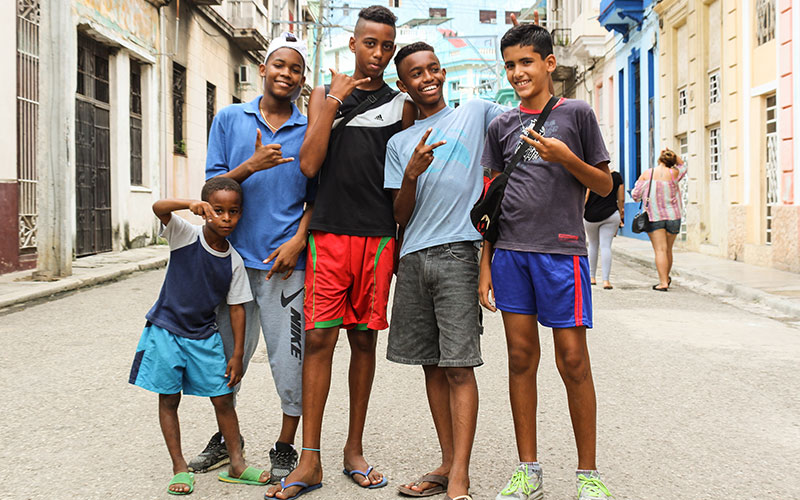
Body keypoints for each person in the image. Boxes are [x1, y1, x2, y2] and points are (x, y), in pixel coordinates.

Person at [265, 6, 416, 499]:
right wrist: (331, 104)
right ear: (352, 44)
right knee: (318, 342)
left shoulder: (401, 106)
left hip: (377, 238)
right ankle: (310, 460)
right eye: (369, 43)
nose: (378, 53)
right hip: (328, 236)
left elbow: (403, 182)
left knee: (364, 343)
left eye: (386, 46)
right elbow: (309, 165)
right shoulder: (323, 96)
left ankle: (353, 449)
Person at [478, 23, 615, 500]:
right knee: (520, 359)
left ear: (548, 63)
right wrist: (484, 265)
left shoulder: (576, 114)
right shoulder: (500, 126)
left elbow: (603, 188)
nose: (518, 72)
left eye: (527, 62)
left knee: (573, 360)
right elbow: (492, 201)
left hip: (562, 254)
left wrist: (564, 159)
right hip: (511, 255)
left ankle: (588, 475)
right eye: (511, 64)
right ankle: (527, 470)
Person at [384, 42, 507, 500]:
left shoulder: (474, 112)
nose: (428, 77)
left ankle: (460, 477)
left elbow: (523, 124)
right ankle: (447, 460)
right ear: (404, 85)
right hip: (412, 258)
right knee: (431, 367)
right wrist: (412, 173)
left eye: (433, 68)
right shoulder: (399, 144)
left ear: (443, 72)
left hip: (459, 252)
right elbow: (399, 215)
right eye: (416, 73)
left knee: (459, 367)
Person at [193, 32, 314, 484]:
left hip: (286, 264)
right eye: (279, 64)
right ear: (263, 69)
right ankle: (229, 439)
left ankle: (286, 443)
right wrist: (251, 166)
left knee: (290, 359)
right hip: (232, 264)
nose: (286, 73)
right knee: (229, 357)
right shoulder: (229, 118)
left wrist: (298, 241)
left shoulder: (308, 129)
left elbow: (317, 197)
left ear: (304, 78)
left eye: (296, 67)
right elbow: (210, 191)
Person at [128, 177, 270, 495]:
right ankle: (180, 468)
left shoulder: (233, 260)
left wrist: (236, 355)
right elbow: (158, 207)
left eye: (233, 211)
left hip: (204, 337)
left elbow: (237, 309)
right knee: (168, 398)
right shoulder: (184, 234)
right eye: (217, 210)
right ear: (205, 211)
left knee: (223, 399)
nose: (226, 218)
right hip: (165, 331)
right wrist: (187, 204)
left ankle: (237, 463)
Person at [631, 149, 687, 291]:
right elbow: (683, 165)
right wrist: (673, 153)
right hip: (674, 216)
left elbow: (635, 195)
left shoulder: (648, 174)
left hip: (654, 216)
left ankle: (663, 282)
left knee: (660, 250)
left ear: (659, 160)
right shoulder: (674, 174)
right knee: (668, 250)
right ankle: (666, 278)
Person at [583, 169, 624, 289]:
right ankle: (606, 281)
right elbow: (621, 199)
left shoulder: (591, 174)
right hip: (611, 214)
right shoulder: (616, 177)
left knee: (592, 245)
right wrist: (621, 214)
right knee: (606, 246)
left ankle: (591, 277)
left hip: (591, 215)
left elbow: (586, 197)